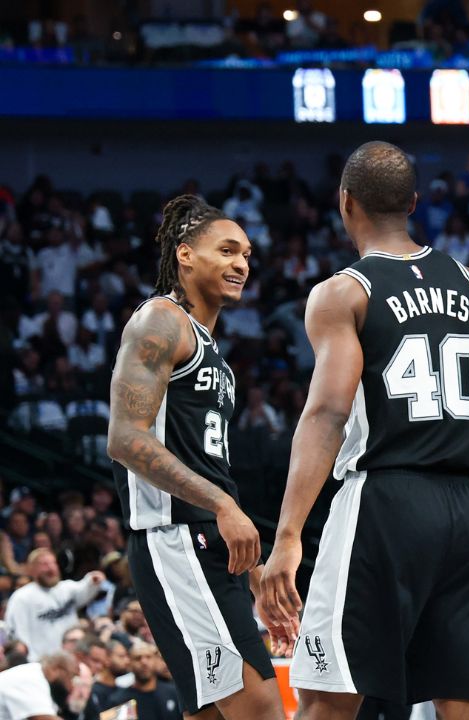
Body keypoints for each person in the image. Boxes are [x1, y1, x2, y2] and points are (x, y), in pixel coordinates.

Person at [257, 141, 469, 720]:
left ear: (345, 203)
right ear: (414, 203)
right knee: (468, 702)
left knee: (329, 696)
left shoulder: (344, 292)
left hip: (384, 501)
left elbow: (326, 413)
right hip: (466, 508)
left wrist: (289, 535)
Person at [105, 194, 284, 720]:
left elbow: (207, 467)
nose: (241, 264)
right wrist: (225, 509)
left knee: (212, 714)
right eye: (227, 251)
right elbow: (125, 439)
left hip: (205, 545)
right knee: (261, 708)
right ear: (185, 255)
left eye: (247, 255)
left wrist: (251, 567)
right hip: (176, 540)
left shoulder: (213, 351)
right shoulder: (161, 322)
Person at [6, 548, 103, 660]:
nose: (51, 568)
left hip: (74, 656)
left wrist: (92, 581)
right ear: (32, 569)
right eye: (45, 564)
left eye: (53, 563)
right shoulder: (22, 598)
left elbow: (84, 590)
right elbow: (18, 635)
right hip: (42, 661)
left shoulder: (66, 588)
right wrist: (31, 661)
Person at [105, 643, 182, 720]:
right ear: (130, 663)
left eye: (148, 657)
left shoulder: (173, 693)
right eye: (138, 658)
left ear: (155, 660)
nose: (144, 662)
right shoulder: (119, 700)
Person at [0, 651, 84, 720]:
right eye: (72, 676)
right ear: (56, 668)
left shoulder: (40, 680)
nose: (72, 686)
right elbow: (44, 718)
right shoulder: (32, 677)